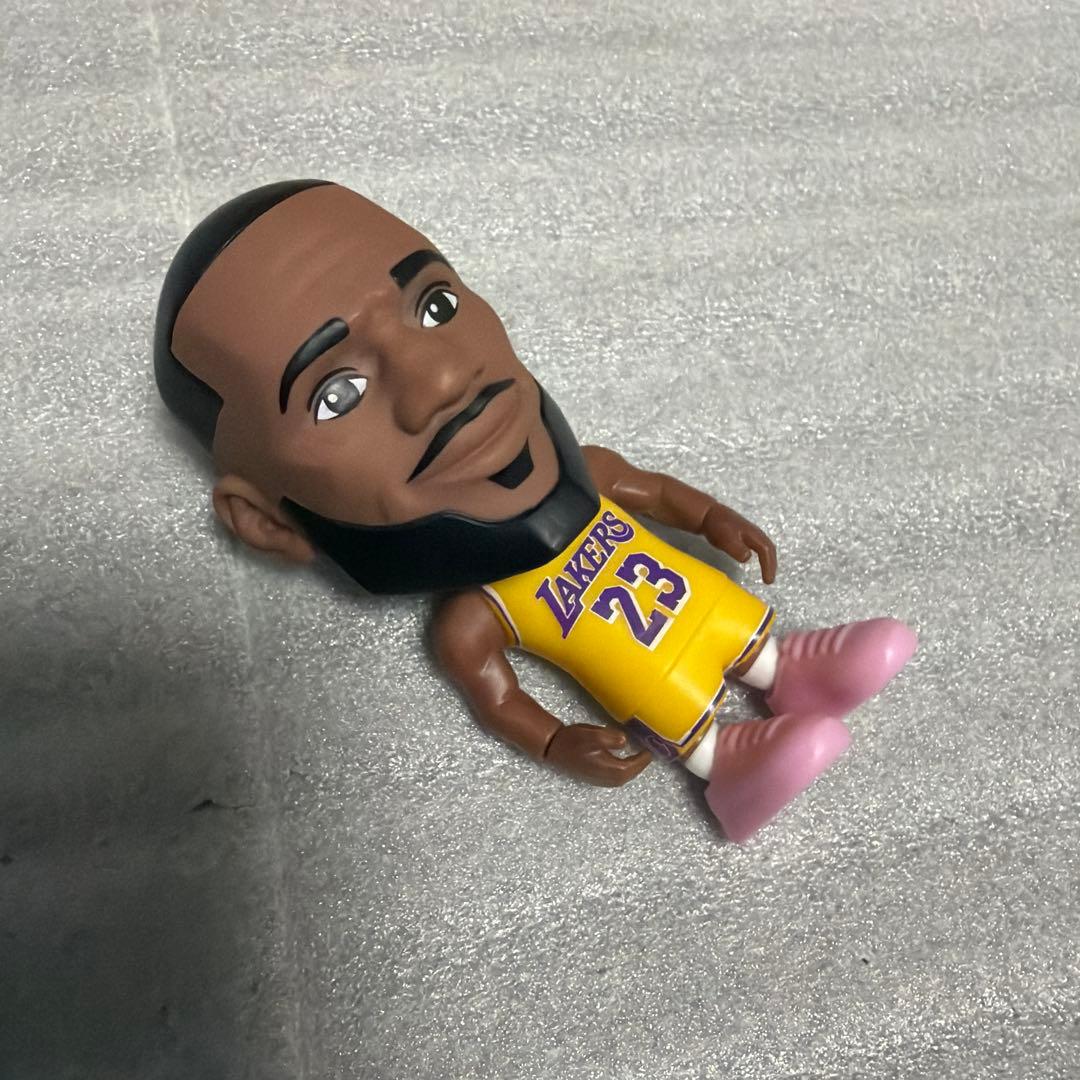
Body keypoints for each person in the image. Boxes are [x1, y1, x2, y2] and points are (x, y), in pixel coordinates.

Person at [155, 180, 916, 842]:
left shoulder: (591, 475)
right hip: (656, 688)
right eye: (336, 394)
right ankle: (728, 765)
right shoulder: (473, 617)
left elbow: (652, 491)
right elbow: (498, 696)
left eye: (435, 305)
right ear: (271, 523)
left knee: (737, 623)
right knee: (677, 710)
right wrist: (555, 743)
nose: (443, 379)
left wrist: (713, 517)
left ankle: (788, 668)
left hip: (707, 607)